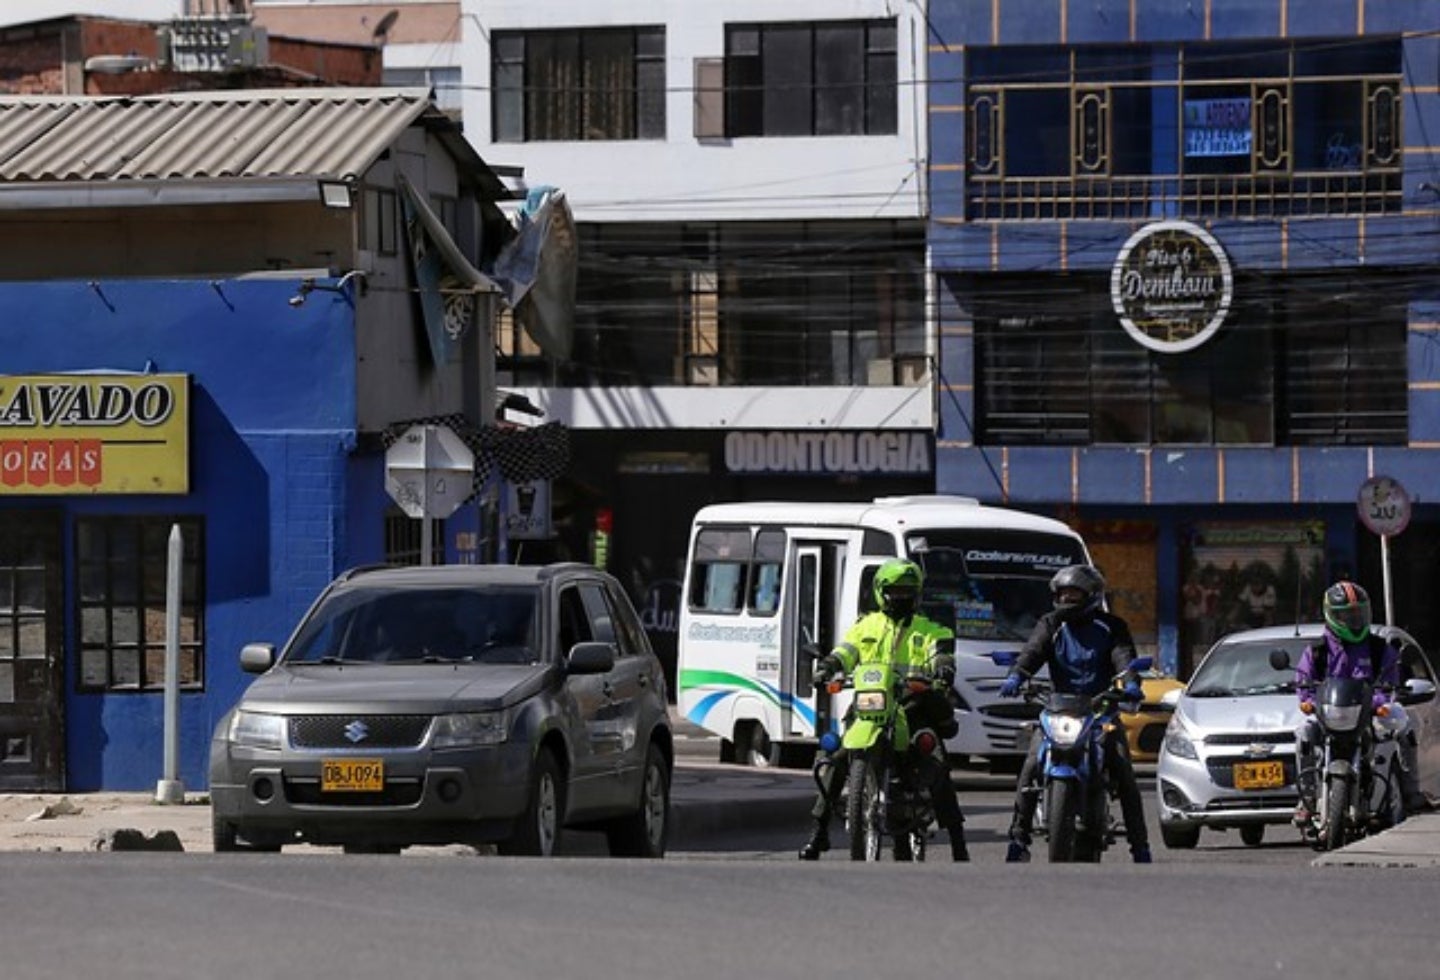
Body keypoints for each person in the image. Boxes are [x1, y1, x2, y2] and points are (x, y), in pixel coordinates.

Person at [798, 558, 970, 862]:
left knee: (936, 759)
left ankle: (958, 843)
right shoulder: (866, 626)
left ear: (917, 594)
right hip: (868, 706)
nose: (901, 597)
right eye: (894, 591)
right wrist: (827, 667)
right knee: (835, 757)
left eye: (907, 591)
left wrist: (942, 671)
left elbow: (942, 656)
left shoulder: (931, 630)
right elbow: (844, 653)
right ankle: (818, 832)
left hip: (912, 707)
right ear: (880, 592)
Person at [997, 563, 1153, 864]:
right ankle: (1018, 839)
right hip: (1058, 707)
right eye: (1063, 594)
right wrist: (1017, 675)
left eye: (1074, 594)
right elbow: (1033, 651)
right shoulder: (1051, 624)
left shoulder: (1112, 626)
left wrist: (1131, 684)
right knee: (1030, 766)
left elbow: (1124, 659)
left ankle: (1140, 847)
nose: (1067, 599)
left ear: (1092, 596)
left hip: (1100, 710)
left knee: (1124, 770)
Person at [1293, 581, 1432, 826]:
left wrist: (1379, 701)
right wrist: (1309, 702)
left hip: (1369, 712)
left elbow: (1390, 679)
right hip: (1330, 713)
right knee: (1304, 733)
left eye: (1358, 614)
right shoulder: (1317, 652)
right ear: (1331, 616)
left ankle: (1412, 791)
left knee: (1404, 722)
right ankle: (1308, 800)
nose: (1354, 620)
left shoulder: (1380, 649)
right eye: (1346, 615)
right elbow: (1304, 683)